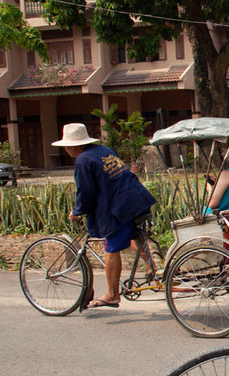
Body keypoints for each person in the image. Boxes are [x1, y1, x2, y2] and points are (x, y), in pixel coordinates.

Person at [53, 123, 157, 309]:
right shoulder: (104, 150)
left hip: (120, 206)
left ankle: (112, 294)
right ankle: (152, 270)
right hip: (135, 198)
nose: (67, 149)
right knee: (135, 235)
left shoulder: (83, 160)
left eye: (67, 146)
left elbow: (85, 191)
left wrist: (77, 211)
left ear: (73, 146)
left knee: (111, 247)